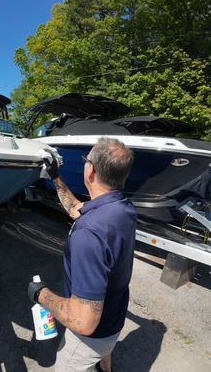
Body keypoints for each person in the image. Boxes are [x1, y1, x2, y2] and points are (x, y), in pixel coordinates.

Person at [28, 137, 137, 372]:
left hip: (91, 339)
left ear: (90, 170)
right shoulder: (120, 207)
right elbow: (76, 209)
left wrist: (41, 295)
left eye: (85, 160)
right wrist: (55, 177)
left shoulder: (89, 235)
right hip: (114, 320)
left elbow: (83, 321)